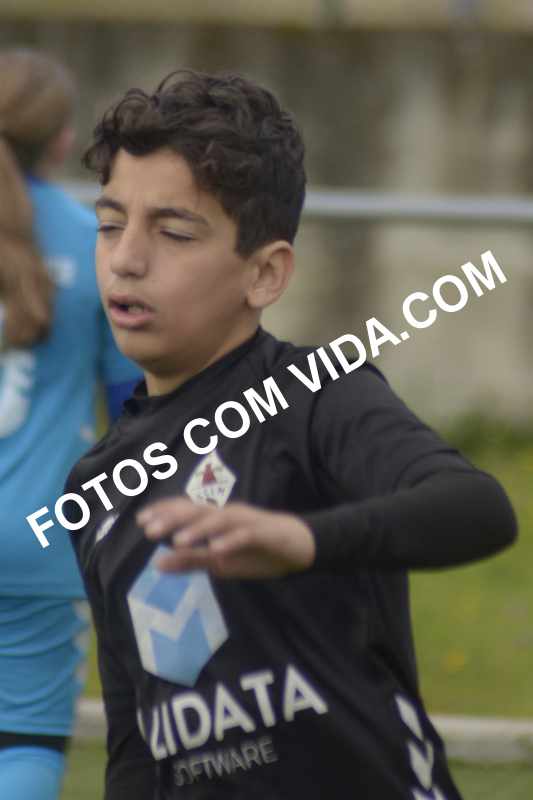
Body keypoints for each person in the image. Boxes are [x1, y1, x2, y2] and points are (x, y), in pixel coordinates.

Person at [65, 69, 517, 800]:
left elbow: (476, 508)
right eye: (111, 224)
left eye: (173, 232)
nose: (126, 259)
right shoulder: (95, 486)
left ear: (265, 275)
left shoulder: (313, 395)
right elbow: (138, 746)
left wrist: (302, 542)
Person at [0, 49, 139, 800]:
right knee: (23, 742)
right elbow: (132, 416)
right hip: (40, 536)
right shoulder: (97, 246)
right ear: (61, 142)